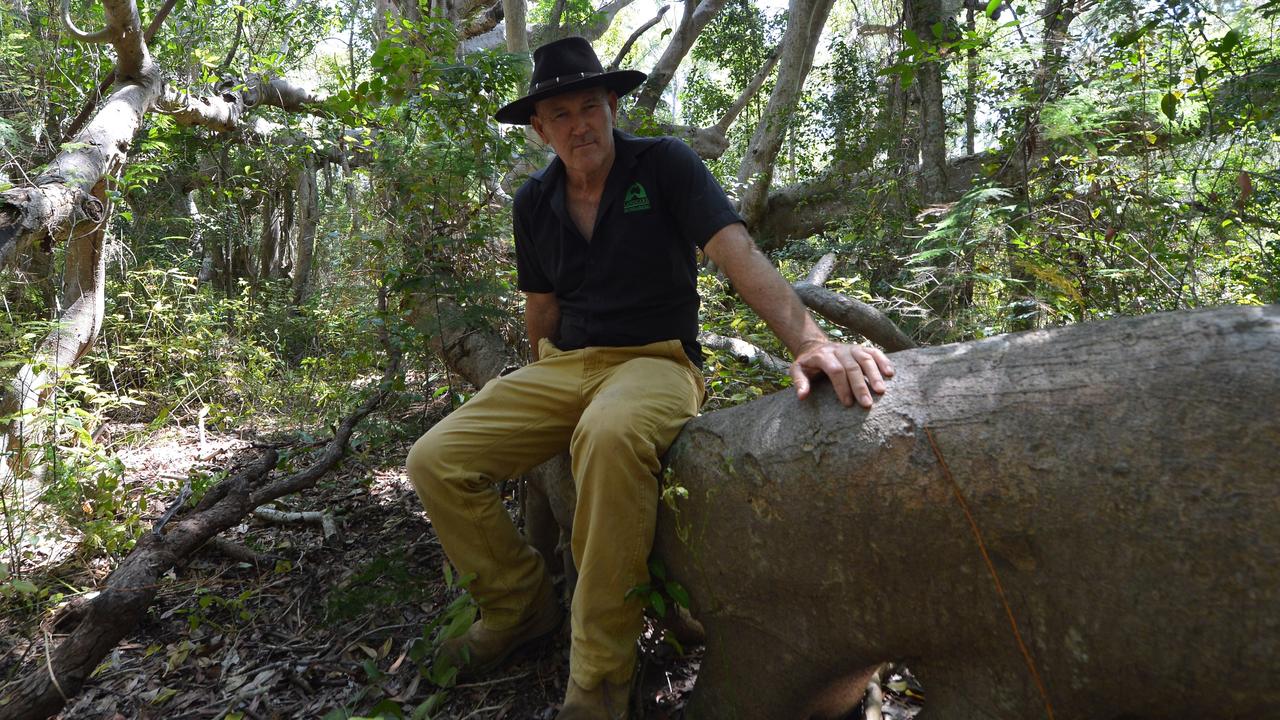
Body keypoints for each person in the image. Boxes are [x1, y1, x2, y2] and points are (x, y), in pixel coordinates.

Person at [406, 36, 894, 720]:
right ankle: (519, 606)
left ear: (611, 106)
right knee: (435, 459)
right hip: (565, 366)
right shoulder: (534, 202)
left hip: (655, 361)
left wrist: (810, 341)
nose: (578, 125)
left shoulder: (663, 165)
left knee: (607, 438)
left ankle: (601, 680)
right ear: (540, 129)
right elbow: (541, 306)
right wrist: (534, 387)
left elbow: (735, 251)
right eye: (560, 115)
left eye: (589, 107)